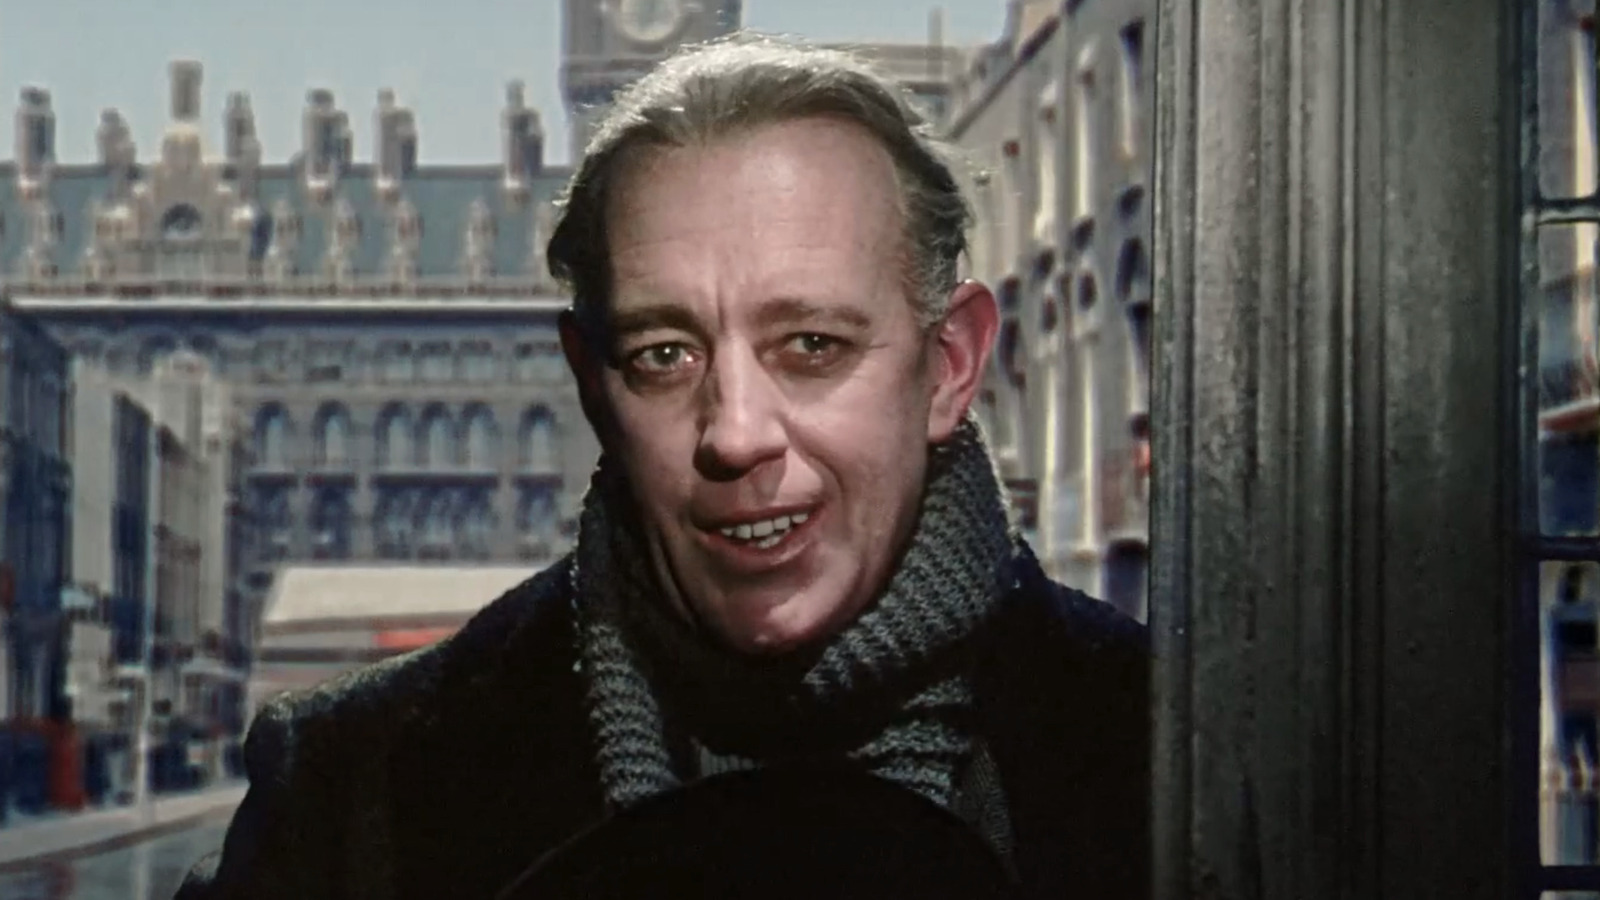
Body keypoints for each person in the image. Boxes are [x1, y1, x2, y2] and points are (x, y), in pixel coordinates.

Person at [175, 34, 1149, 900]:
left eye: (811, 345)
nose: (735, 432)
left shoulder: (1163, 748)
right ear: (592, 385)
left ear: (949, 366)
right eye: (664, 356)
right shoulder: (354, 788)